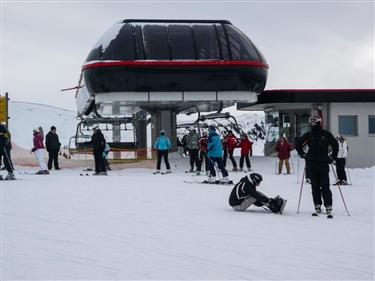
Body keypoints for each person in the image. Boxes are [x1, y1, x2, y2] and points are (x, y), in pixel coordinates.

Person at [296, 116, 338, 215]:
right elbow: (298, 144)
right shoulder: (308, 135)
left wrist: (333, 157)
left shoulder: (325, 134)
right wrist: (303, 155)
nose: (312, 124)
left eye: (314, 123)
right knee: (314, 186)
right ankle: (317, 205)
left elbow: (335, 145)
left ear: (319, 123)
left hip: (323, 163)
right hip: (311, 163)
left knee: (325, 186)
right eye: (311, 123)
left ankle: (328, 205)